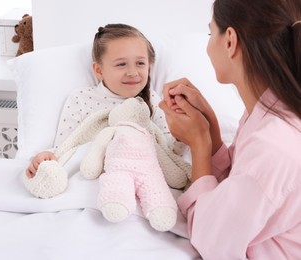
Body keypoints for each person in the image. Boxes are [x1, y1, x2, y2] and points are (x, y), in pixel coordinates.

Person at [159, 0, 301, 258]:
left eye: (211, 32)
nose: (209, 44)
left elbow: (210, 238)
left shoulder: (273, 145)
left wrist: (199, 145)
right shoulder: (270, 111)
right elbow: (242, 183)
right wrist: (212, 133)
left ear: (230, 41)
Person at [26, 23, 185, 179]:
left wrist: (181, 136)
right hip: (90, 178)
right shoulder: (81, 99)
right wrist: (46, 157)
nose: (132, 72)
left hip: (140, 177)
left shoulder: (152, 100)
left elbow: (169, 152)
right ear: (99, 70)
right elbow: (66, 147)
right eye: (121, 64)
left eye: (140, 63)